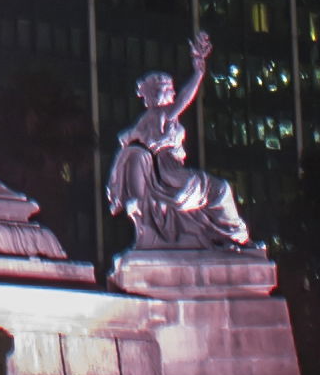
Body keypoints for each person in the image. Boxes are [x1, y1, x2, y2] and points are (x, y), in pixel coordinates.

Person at [103, 31, 252, 251]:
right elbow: (184, 99)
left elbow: (128, 145)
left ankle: (225, 238)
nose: (172, 92)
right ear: (159, 94)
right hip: (168, 175)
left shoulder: (146, 120)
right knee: (220, 189)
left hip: (167, 172)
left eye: (171, 89)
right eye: (168, 89)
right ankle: (236, 237)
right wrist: (198, 71)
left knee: (216, 192)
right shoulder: (161, 114)